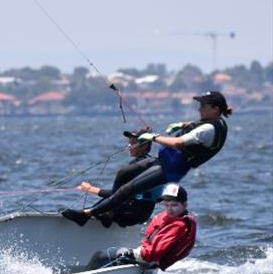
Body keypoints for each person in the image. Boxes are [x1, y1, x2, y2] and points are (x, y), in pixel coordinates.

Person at [62, 91, 231, 226]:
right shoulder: (215, 122)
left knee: (126, 190)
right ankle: (108, 210)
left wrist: (153, 137)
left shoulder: (209, 129)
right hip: (164, 161)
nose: (199, 108)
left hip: (170, 170)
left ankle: (88, 214)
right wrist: (183, 124)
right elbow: (196, 126)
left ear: (215, 109)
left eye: (203, 105)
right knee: (124, 172)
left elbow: (178, 142)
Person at [86, 183, 196, 271]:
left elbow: (156, 252)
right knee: (109, 257)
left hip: (146, 258)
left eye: (174, 205)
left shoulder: (178, 226)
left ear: (185, 205)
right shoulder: (179, 219)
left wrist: (131, 254)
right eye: (167, 205)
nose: (170, 209)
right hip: (150, 259)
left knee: (101, 255)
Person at [69, 128, 160, 228]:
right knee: (110, 201)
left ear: (144, 145)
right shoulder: (150, 162)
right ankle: (105, 217)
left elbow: (119, 194)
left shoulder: (138, 166)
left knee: (111, 198)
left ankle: (88, 216)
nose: (129, 146)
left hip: (131, 215)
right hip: (141, 215)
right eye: (129, 143)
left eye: (133, 143)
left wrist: (90, 189)